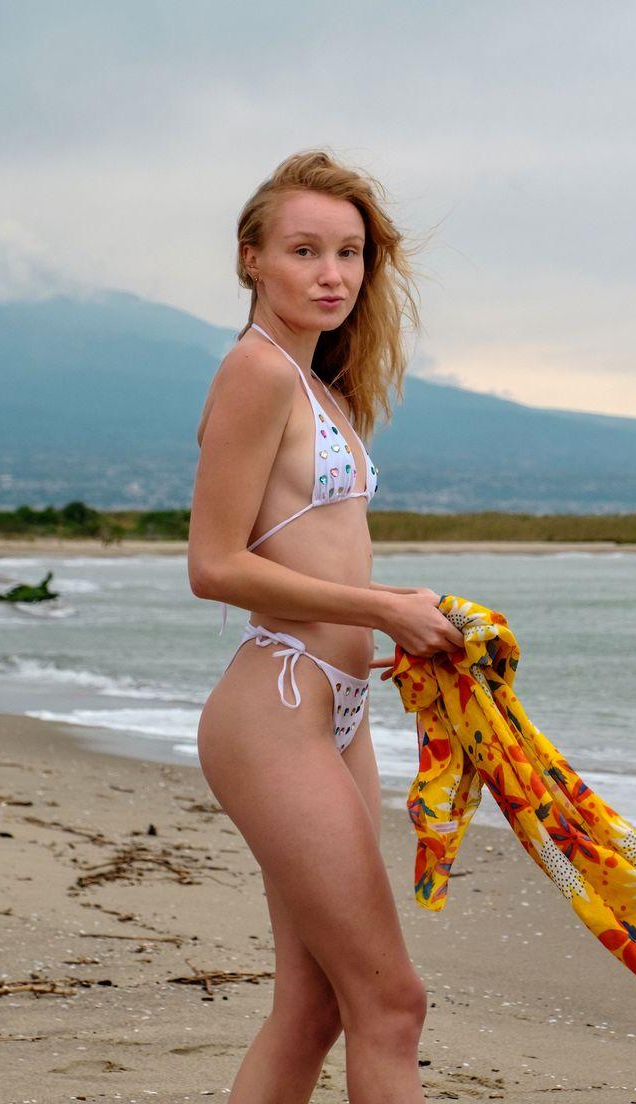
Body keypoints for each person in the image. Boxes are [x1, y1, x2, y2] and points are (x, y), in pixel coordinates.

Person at [188, 149, 465, 1103]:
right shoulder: (255, 372)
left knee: (314, 1009)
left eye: (349, 253)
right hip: (274, 709)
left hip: (335, 711)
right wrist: (382, 609)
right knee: (392, 1002)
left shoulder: (324, 388)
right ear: (252, 259)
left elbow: (323, 554)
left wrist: (408, 614)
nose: (332, 274)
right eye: (304, 250)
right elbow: (214, 566)